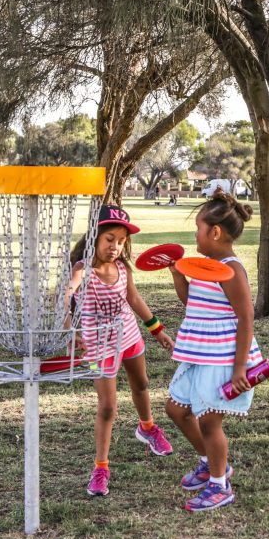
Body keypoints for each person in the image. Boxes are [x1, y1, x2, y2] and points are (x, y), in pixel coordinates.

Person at [67, 205, 176, 497]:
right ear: (94, 238)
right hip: (95, 348)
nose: (115, 246)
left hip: (129, 336)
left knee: (141, 384)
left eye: (121, 241)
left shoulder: (122, 268)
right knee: (107, 407)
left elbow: (135, 299)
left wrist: (158, 330)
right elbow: (66, 295)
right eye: (109, 239)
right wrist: (70, 331)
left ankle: (147, 427)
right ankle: (101, 467)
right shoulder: (82, 269)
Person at [165, 192, 263, 512]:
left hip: (222, 356)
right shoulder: (206, 267)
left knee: (209, 422)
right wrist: (179, 276)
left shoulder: (232, 269)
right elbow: (191, 303)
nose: (196, 234)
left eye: (199, 228)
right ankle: (210, 462)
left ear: (215, 233)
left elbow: (246, 317)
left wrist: (238, 370)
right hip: (198, 352)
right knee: (176, 409)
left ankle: (220, 486)